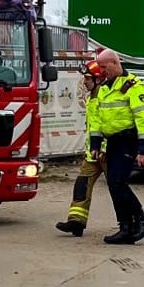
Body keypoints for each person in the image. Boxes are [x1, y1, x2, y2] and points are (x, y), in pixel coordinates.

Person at [89, 48, 144, 245]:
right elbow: (97, 120)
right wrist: (95, 144)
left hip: (128, 140)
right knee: (113, 185)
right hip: (113, 143)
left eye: (103, 67)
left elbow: (143, 117)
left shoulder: (132, 85)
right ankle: (125, 228)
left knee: (117, 182)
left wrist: (143, 150)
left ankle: (142, 218)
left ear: (115, 63)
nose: (101, 71)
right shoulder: (105, 87)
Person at [54, 60, 109, 236]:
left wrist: (104, 149)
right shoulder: (93, 96)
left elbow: (110, 125)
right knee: (81, 185)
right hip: (93, 153)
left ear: (99, 79)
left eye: (87, 78)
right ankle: (76, 222)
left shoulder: (106, 96)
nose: (84, 82)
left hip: (107, 153)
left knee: (118, 189)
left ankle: (134, 221)